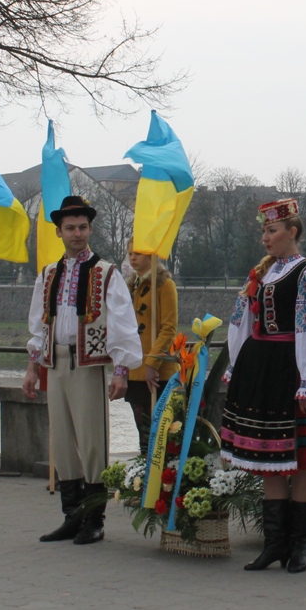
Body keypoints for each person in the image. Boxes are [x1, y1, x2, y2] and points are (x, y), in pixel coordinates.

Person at [220, 199, 306, 574]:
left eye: (272, 231)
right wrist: (236, 364)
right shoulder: (259, 274)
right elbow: (241, 322)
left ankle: (299, 546)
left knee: (301, 464)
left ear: (292, 232)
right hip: (261, 369)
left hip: (292, 371)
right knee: (269, 463)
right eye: (264, 231)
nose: (265, 238)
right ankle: (274, 546)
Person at [22, 196, 143, 545]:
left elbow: (122, 324)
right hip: (55, 363)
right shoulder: (48, 274)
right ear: (59, 231)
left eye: (83, 227)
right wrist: (32, 369)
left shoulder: (106, 273)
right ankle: (71, 516)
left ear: (90, 229)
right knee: (61, 442)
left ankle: (95, 519)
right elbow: (38, 325)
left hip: (88, 364)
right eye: (71, 227)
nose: (77, 233)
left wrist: (121, 370)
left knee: (92, 443)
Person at [125, 239, 179, 456]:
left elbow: (168, 328)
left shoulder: (164, 285)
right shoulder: (132, 286)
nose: (133, 258)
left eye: (138, 253)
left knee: (163, 433)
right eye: (130, 254)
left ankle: (163, 480)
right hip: (135, 369)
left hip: (158, 372)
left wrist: (153, 362)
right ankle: (144, 477)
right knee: (142, 431)